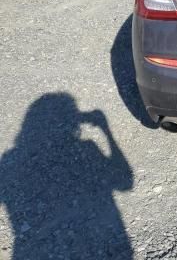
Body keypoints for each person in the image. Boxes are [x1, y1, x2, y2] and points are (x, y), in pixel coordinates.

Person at [0, 93, 133, 258]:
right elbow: (125, 183)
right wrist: (106, 131)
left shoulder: (10, 158)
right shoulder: (89, 148)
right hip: (104, 242)